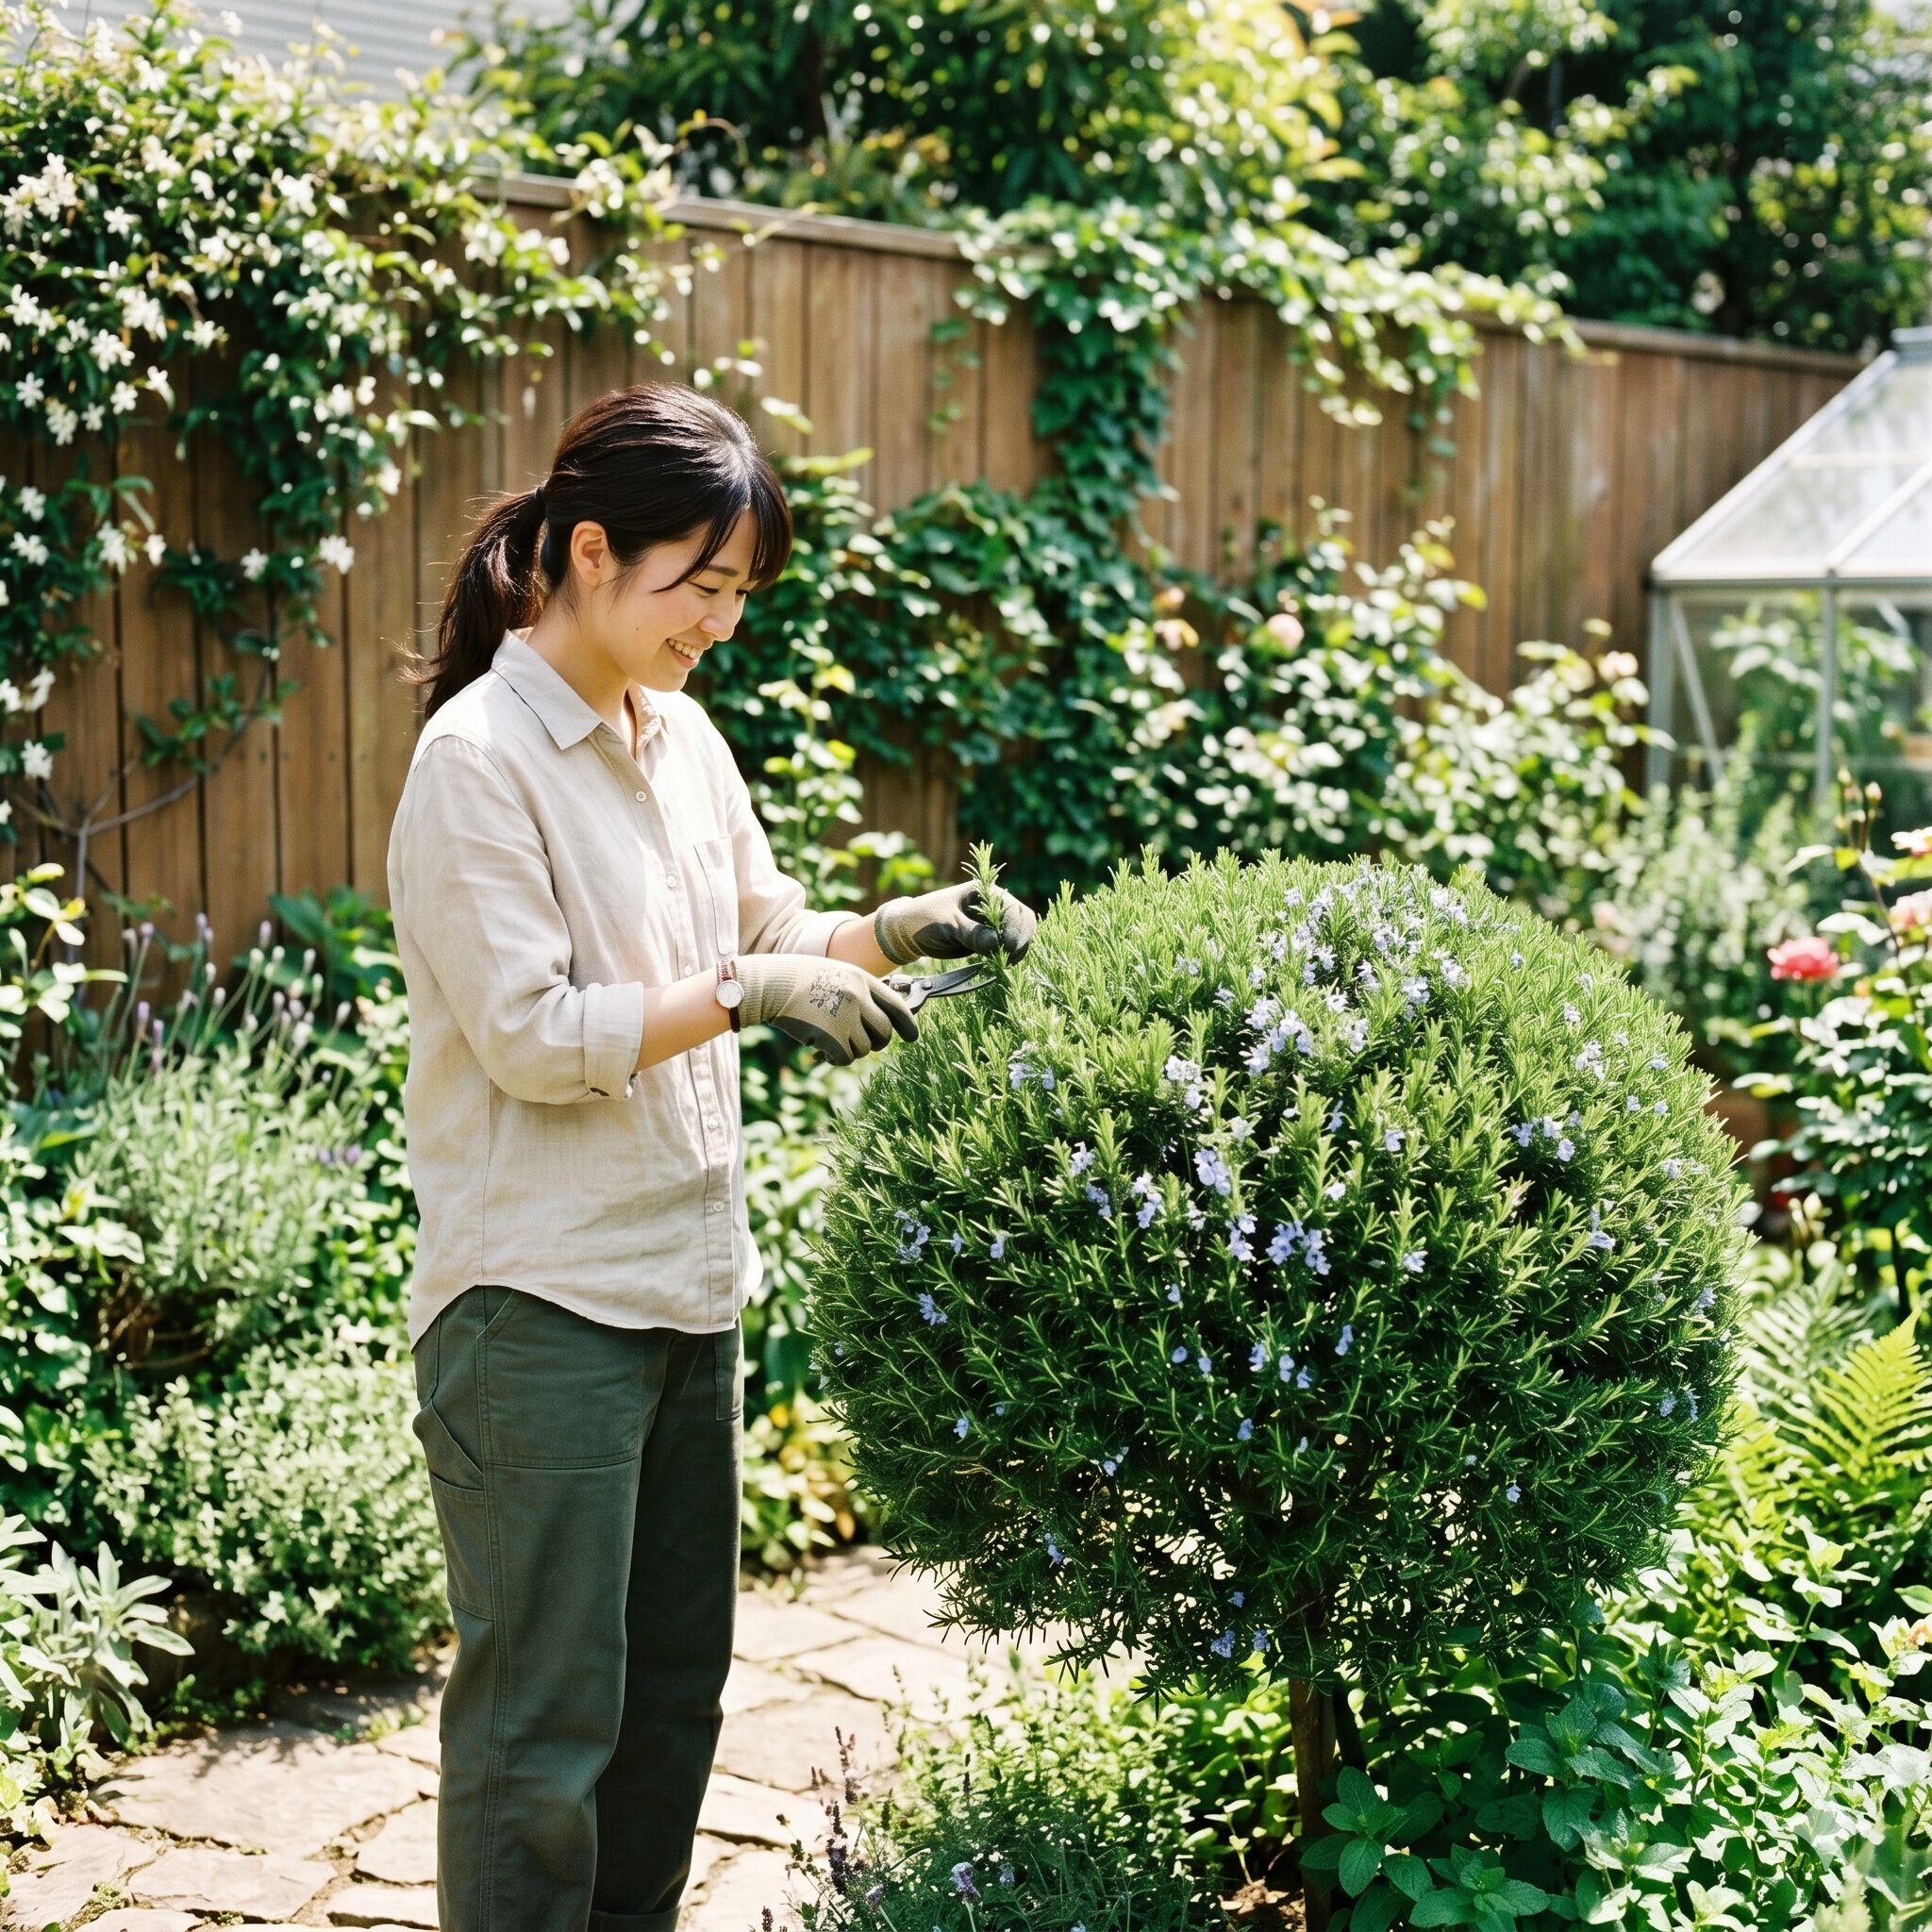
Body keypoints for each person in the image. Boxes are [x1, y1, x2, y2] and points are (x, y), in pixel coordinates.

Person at [386, 380, 1038, 1932]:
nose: (722, 626)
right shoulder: (477, 762)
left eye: (740, 594)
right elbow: (536, 1036)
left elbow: (752, 931)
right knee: (541, 1738)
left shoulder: (679, 735)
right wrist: (753, 992)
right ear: (593, 553)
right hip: (537, 1310)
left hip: (688, 1291)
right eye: (703, 587)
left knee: (673, 1703)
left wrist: (891, 928)